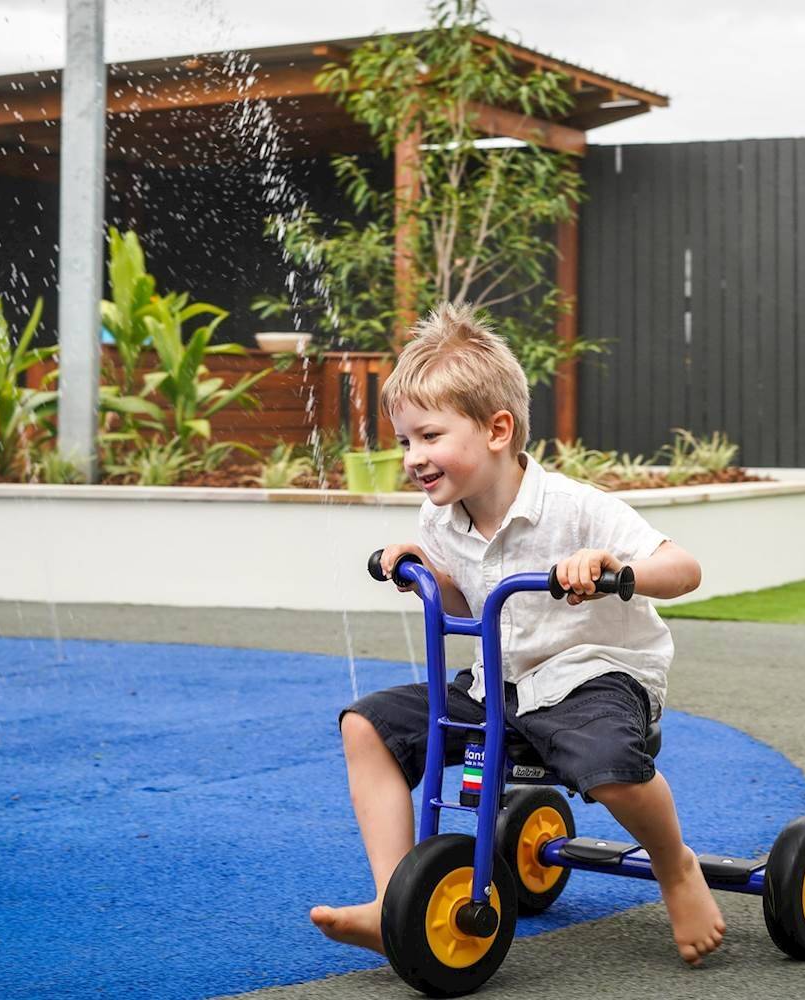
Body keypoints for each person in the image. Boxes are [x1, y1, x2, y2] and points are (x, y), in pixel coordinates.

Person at [309, 302, 726, 966]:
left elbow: (685, 570)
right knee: (368, 726)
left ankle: (675, 869)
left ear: (498, 429)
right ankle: (396, 904)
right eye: (406, 442)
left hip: (594, 677)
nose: (414, 458)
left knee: (610, 770)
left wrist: (615, 568)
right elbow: (462, 600)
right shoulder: (441, 516)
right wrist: (423, 569)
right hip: (500, 684)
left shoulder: (575, 508)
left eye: (430, 437)